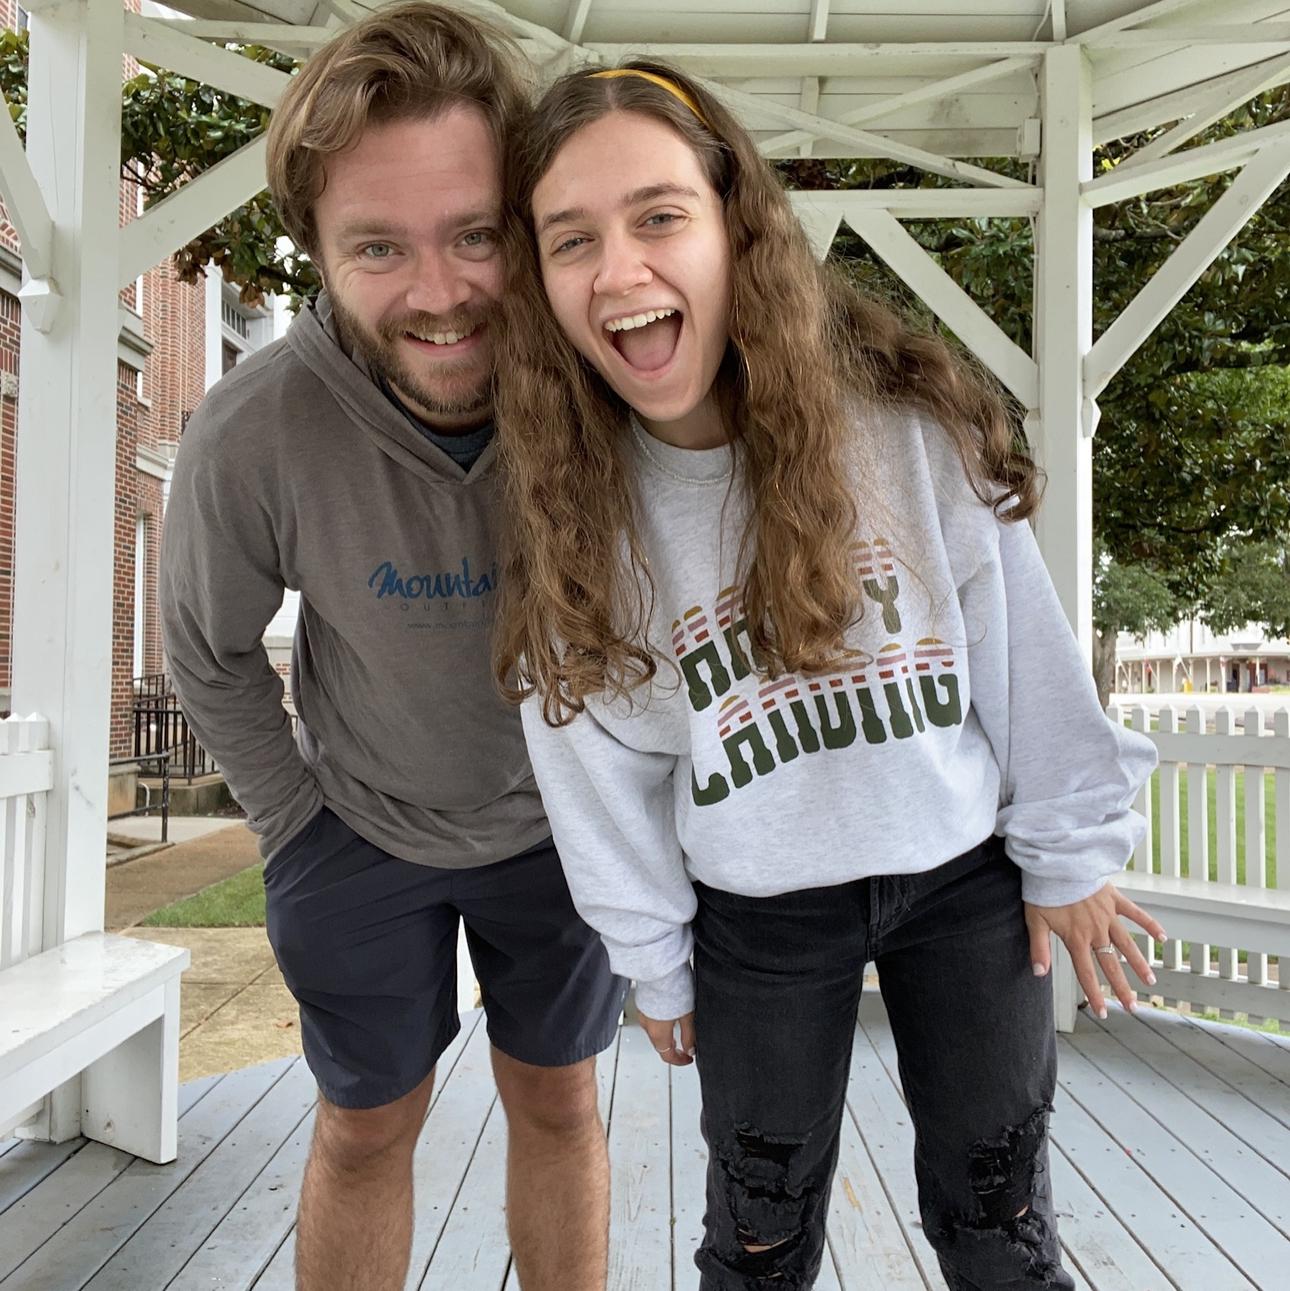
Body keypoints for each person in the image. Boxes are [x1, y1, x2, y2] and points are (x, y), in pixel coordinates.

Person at [492, 62, 1165, 1289]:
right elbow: (592, 762)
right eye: (570, 238)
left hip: (963, 883)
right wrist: (652, 955)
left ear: (734, 226)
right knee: (757, 1240)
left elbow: (1022, 649)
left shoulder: (901, 429)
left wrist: (1068, 848)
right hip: (757, 917)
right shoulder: (577, 514)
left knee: (998, 1222)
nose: (621, 269)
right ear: (540, 287)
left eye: (659, 216)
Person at [158, 9, 626, 1290]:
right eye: (378, 246)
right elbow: (204, 647)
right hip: (354, 827)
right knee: (365, 1128)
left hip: (562, 823)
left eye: (475, 233)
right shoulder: (251, 428)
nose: (438, 292)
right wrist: (298, 827)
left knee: (561, 1102)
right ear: (312, 245)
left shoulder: (606, 378)